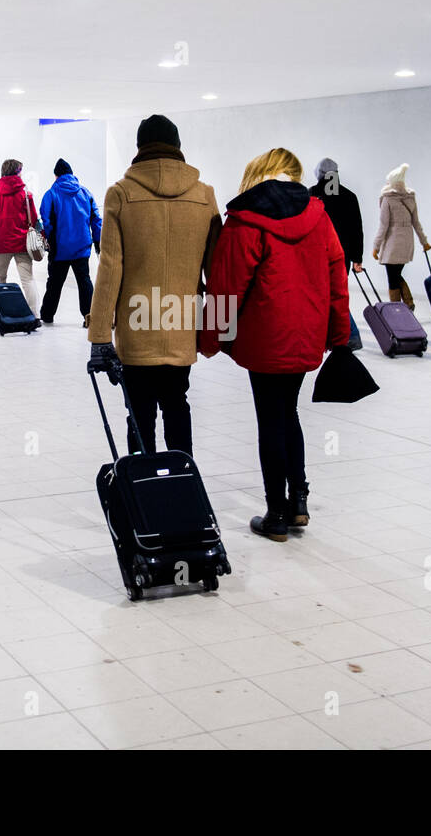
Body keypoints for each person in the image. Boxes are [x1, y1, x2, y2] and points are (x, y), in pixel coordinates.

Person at [201, 148, 350, 543]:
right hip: (306, 336)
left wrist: (210, 338)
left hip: (265, 338)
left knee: (271, 419)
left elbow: (225, 284)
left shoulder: (246, 219)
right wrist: (338, 335)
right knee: (289, 414)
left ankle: (276, 513)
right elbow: (338, 275)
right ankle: (299, 501)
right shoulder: (318, 215)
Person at [86, 115, 221, 456]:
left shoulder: (120, 194)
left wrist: (100, 335)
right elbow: (218, 271)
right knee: (178, 403)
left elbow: (110, 266)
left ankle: (144, 490)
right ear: (177, 146)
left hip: (136, 324)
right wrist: (222, 327)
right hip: (181, 322)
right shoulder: (205, 197)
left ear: (139, 147)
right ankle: (182, 483)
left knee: (139, 411)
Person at [39, 158, 102, 327]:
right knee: (84, 280)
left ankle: (47, 315)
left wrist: (49, 242)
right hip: (82, 247)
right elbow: (96, 219)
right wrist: (98, 241)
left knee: (54, 282)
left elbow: (46, 221)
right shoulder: (85, 193)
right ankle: (89, 316)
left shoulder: (51, 194)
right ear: (72, 174)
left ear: (56, 175)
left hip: (60, 248)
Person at [310, 158, 365, 351]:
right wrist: (357, 258)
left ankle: (351, 335)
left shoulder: (312, 195)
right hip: (343, 257)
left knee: (326, 296)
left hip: (318, 256)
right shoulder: (349, 196)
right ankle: (341, 336)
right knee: (336, 294)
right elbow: (356, 230)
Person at [0, 159, 40, 313]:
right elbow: (33, 220)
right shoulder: (26, 194)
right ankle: (34, 314)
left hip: (2, 245)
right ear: (17, 172)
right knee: (28, 280)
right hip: (22, 244)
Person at [372, 163, 431, 310]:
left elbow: (383, 225)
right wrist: (424, 243)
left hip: (393, 242)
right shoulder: (410, 197)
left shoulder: (387, 198)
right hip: (407, 242)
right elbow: (416, 223)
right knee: (396, 274)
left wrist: (376, 246)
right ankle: (406, 305)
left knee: (393, 276)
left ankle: (398, 308)